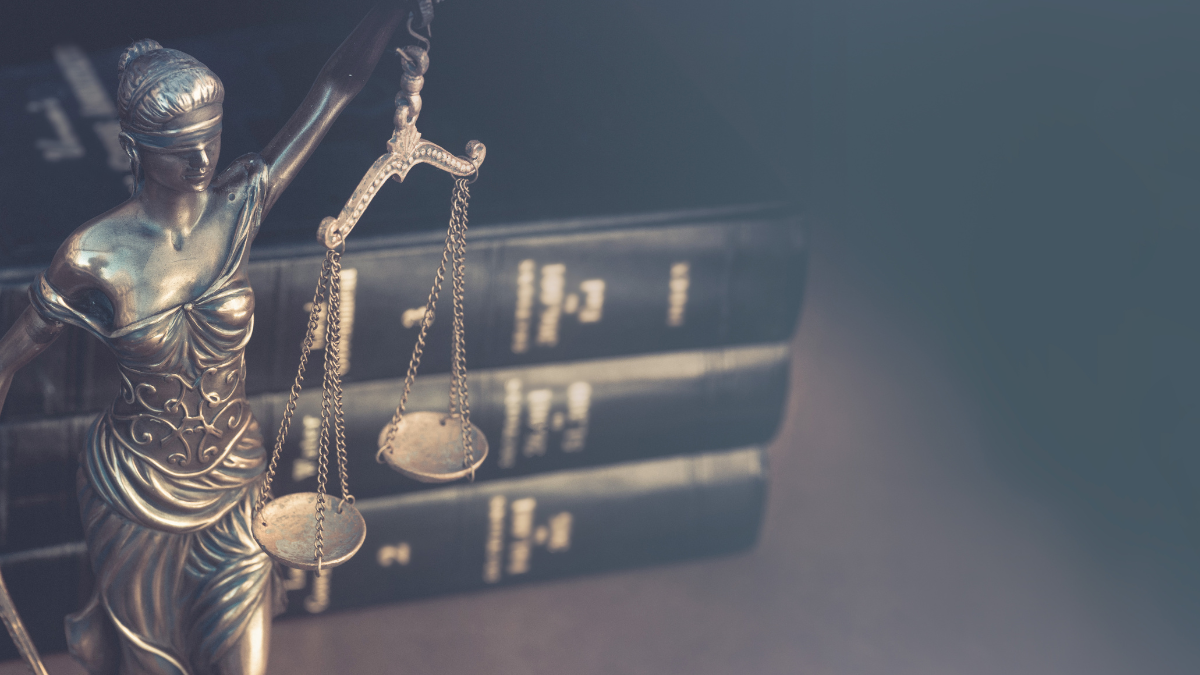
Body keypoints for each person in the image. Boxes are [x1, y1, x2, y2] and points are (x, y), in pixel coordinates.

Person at [0, 4, 407, 674]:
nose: (200, 158)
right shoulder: (93, 255)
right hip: (133, 490)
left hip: (234, 480)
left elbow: (335, 88)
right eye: (179, 148)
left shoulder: (238, 206)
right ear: (135, 149)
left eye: (210, 139)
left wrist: (393, 13)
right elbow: (12, 354)